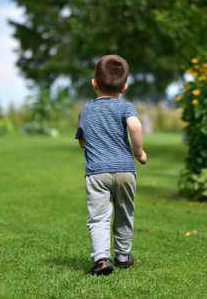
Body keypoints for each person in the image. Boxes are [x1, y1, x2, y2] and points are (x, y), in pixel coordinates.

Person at [75, 55, 147, 276]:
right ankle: (123, 256)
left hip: (97, 173)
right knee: (125, 212)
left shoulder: (86, 109)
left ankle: (102, 259)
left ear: (94, 83)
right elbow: (134, 125)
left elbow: (82, 141)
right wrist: (139, 152)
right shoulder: (126, 108)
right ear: (124, 87)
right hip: (125, 170)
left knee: (99, 216)